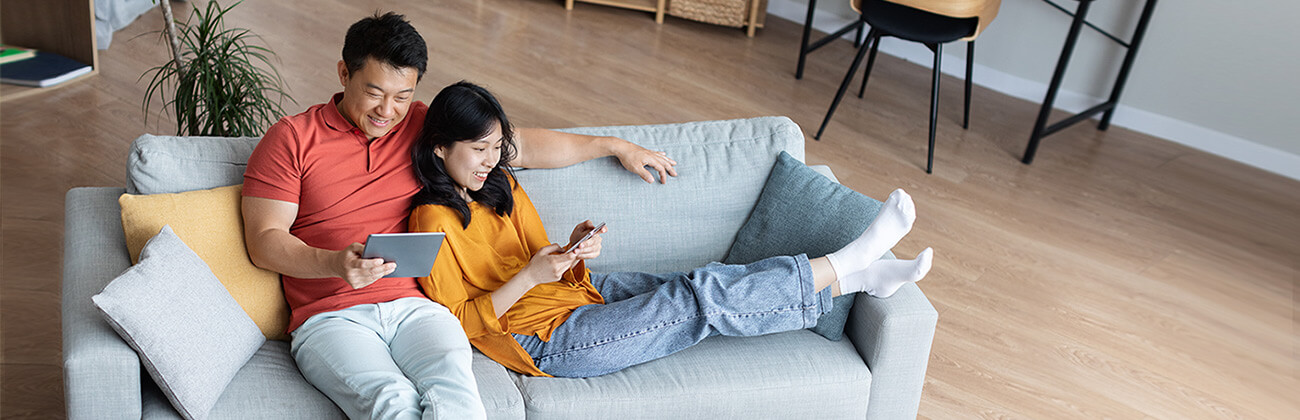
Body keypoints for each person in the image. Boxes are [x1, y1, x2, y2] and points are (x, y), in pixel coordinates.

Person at [240, 13, 677, 419]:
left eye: (402, 96)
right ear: (343, 73)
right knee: (391, 400)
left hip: (420, 309)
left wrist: (615, 145)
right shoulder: (292, 139)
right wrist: (334, 263)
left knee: (455, 394)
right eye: (374, 92)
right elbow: (264, 241)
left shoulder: (421, 126)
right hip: (330, 316)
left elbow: (513, 145)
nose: (386, 111)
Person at [409, 81, 935, 378]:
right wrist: (530, 276)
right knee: (695, 300)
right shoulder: (429, 221)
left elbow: (534, 250)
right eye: (478, 150)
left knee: (703, 280)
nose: (490, 161)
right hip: (543, 339)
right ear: (440, 147)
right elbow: (457, 324)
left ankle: (857, 282)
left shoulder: (498, 182)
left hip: (573, 293)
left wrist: (573, 248)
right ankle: (847, 264)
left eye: (497, 148)